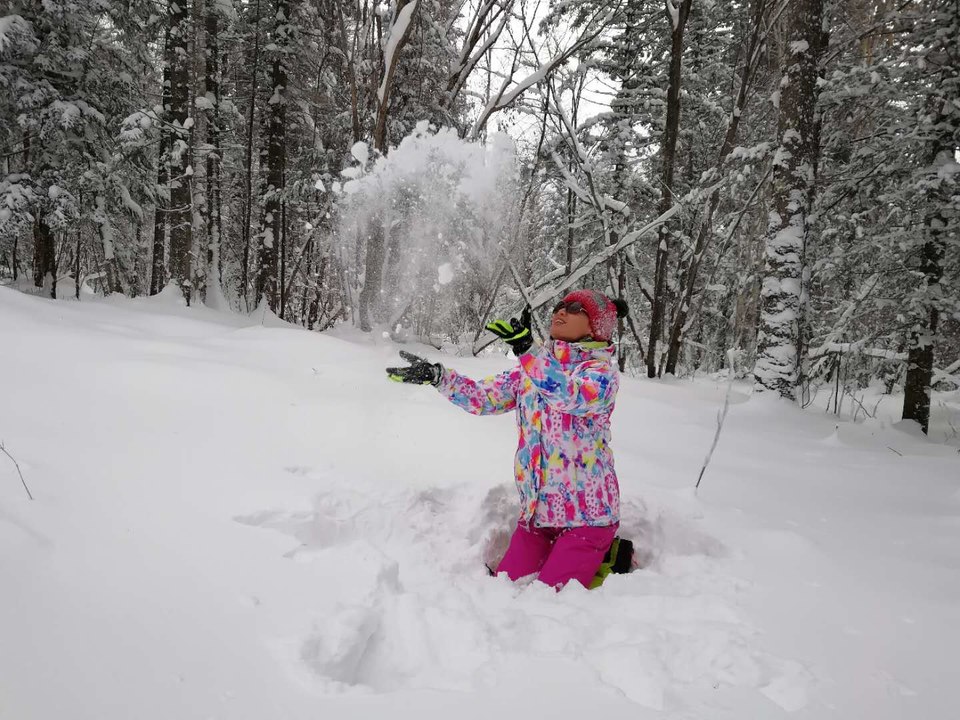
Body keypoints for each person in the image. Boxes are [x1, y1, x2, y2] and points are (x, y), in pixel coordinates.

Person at [386, 289, 628, 589]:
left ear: (595, 325)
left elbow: (568, 395)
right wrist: (440, 377)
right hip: (538, 516)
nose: (561, 311)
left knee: (552, 599)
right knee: (504, 588)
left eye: (575, 307)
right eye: (559, 304)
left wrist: (529, 352)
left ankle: (610, 554)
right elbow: (483, 397)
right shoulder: (531, 370)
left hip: (588, 520)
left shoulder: (600, 373)